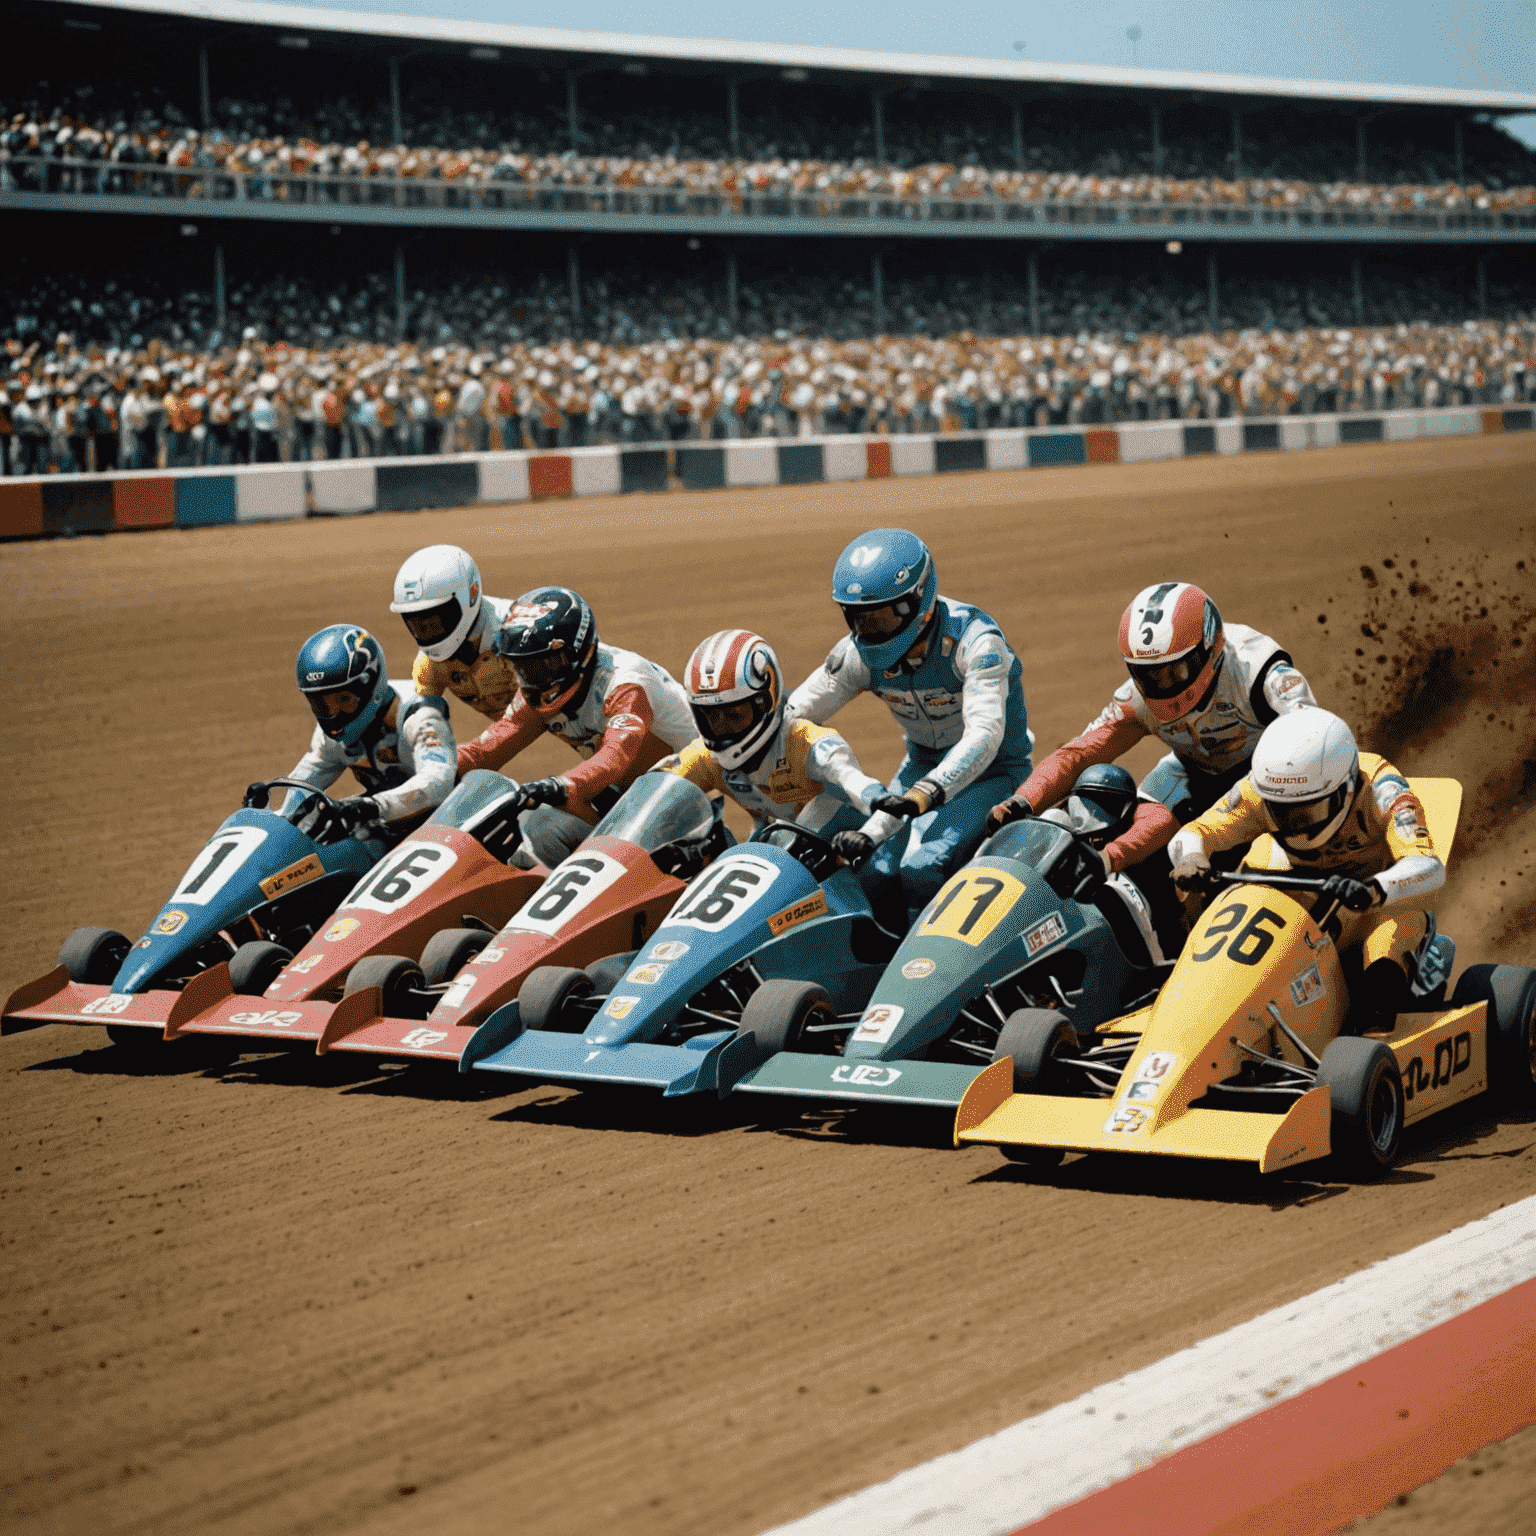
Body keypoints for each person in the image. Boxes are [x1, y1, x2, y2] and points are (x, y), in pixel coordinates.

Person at [986, 582, 1316, 939]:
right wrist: (1023, 800)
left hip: (1273, 779)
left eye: (1174, 672)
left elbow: (1313, 744)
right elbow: (1078, 754)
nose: (1161, 685)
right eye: (1148, 675)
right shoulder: (1137, 698)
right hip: (1193, 770)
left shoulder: (1261, 673)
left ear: (1209, 647)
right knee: (1133, 852)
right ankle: (1165, 949)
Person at [789, 528, 1033, 927]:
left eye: (882, 616)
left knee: (923, 869)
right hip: (919, 765)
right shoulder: (858, 653)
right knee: (875, 872)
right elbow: (795, 715)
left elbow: (984, 736)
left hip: (996, 774)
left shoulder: (977, 642)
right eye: (858, 618)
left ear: (919, 599)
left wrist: (927, 793)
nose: (869, 630)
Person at [1167, 710, 1444, 1030]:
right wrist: (1191, 859)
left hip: (1367, 902)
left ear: (1346, 791)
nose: (1293, 823)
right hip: (1293, 893)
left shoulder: (1384, 789)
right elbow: (1195, 831)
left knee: (1383, 967)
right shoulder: (1261, 789)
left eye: (1306, 810)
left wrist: (1373, 889)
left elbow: (1428, 865)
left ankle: (1389, 1002)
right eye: (1282, 812)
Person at [455, 587, 697, 866]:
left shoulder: (625, 682)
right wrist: (439, 771)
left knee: (543, 826)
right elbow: (488, 747)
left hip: (683, 796)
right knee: (528, 831)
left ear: (578, 651)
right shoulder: (539, 689)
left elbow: (616, 755)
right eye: (522, 668)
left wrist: (563, 784)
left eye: (543, 665)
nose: (534, 679)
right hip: (623, 793)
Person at [669, 629, 892, 847]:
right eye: (709, 717)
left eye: (734, 715)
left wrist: (875, 795)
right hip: (783, 848)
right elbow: (660, 791)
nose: (721, 728)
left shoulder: (803, 739)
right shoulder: (705, 757)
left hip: (856, 848)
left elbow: (848, 776)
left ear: (766, 700)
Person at [269, 624, 457, 842]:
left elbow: (438, 782)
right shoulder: (329, 735)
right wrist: (279, 822)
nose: (333, 715)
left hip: (449, 826)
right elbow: (305, 783)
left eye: (344, 700)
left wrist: (370, 806)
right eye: (322, 705)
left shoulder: (421, 714)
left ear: (370, 685)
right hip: (393, 826)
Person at [390, 544, 521, 722]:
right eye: (419, 625)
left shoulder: (518, 629)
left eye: (437, 621)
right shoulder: (428, 665)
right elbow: (420, 719)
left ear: (471, 593)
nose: (429, 633)